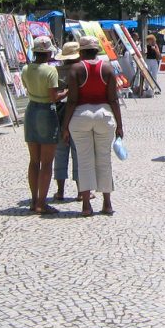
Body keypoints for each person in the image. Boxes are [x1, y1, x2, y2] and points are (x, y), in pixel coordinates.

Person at [62, 36, 123, 217]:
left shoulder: (76, 69)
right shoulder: (108, 68)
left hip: (81, 115)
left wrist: (65, 126)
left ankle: (86, 205)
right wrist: (119, 125)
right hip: (104, 115)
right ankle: (107, 203)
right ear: (97, 50)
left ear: (80, 51)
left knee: (84, 160)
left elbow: (72, 100)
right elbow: (113, 99)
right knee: (104, 159)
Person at [22, 36, 68, 214]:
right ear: (48, 53)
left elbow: (27, 88)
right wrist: (67, 92)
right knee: (47, 162)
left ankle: (34, 200)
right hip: (46, 112)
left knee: (34, 161)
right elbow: (53, 97)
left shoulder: (26, 69)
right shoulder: (50, 71)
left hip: (31, 110)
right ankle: (42, 202)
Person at [53, 41, 81, 202]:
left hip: (59, 117)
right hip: (77, 116)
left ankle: (60, 191)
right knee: (78, 155)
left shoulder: (56, 72)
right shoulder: (80, 71)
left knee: (60, 154)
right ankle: (81, 191)